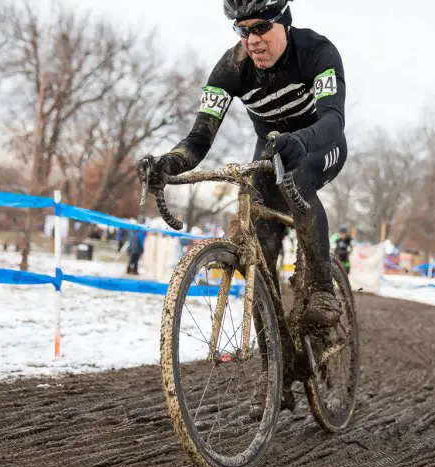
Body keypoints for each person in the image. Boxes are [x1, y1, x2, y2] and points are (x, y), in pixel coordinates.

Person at [137, 0, 347, 327]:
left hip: (318, 146)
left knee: (298, 175)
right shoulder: (231, 68)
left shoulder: (316, 51)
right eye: (243, 30)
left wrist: (300, 141)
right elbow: (198, 138)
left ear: (284, 23)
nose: (253, 41)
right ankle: (276, 351)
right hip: (269, 152)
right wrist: (167, 165)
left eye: (262, 27)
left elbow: (333, 119)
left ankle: (322, 289)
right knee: (258, 254)